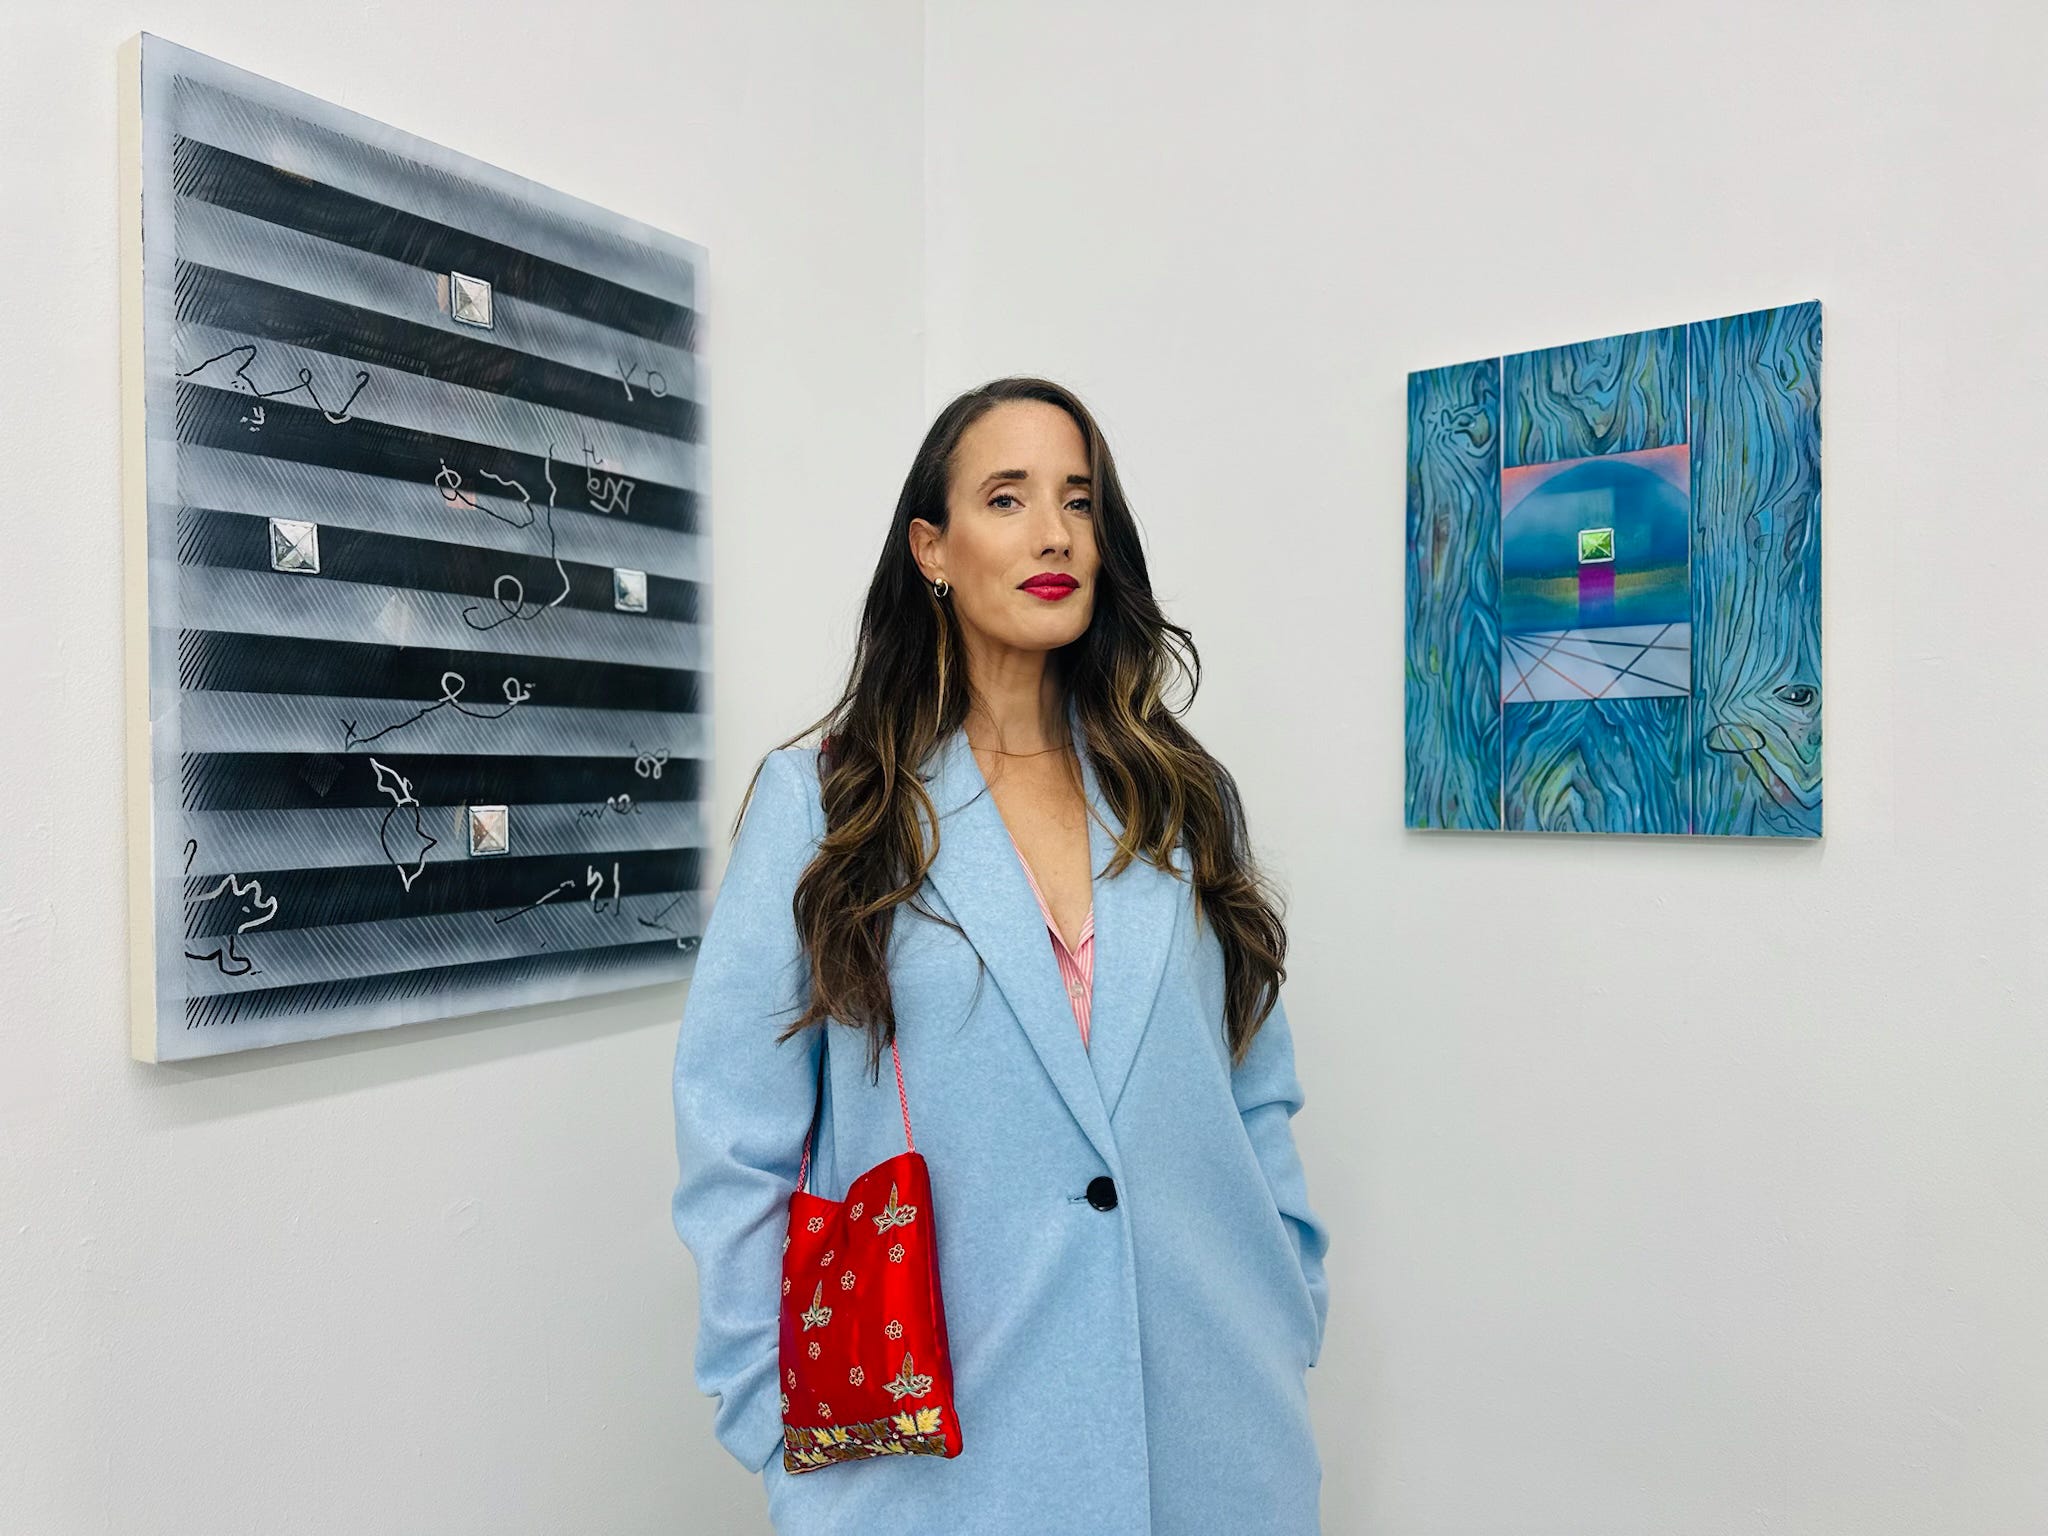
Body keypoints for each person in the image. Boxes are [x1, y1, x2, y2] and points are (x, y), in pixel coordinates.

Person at [670, 377, 1330, 1534]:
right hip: (942, 1462)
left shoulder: (1181, 794)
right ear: (932, 548)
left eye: (1077, 501)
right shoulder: (829, 804)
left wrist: (1288, 1294)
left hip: (1211, 1427)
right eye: (1007, 498)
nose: (1053, 534)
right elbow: (735, 1135)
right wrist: (770, 1419)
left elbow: (1250, 1084)